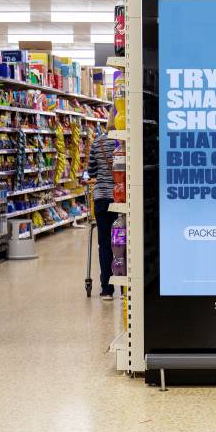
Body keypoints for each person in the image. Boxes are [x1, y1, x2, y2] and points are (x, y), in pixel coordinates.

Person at [87, 118, 119, 301]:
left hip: (101, 199)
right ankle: (125, 286)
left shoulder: (97, 142)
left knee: (104, 243)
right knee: (122, 241)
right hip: (120, 197)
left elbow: (91, 172)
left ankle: (107, 288)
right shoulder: (123, 142)